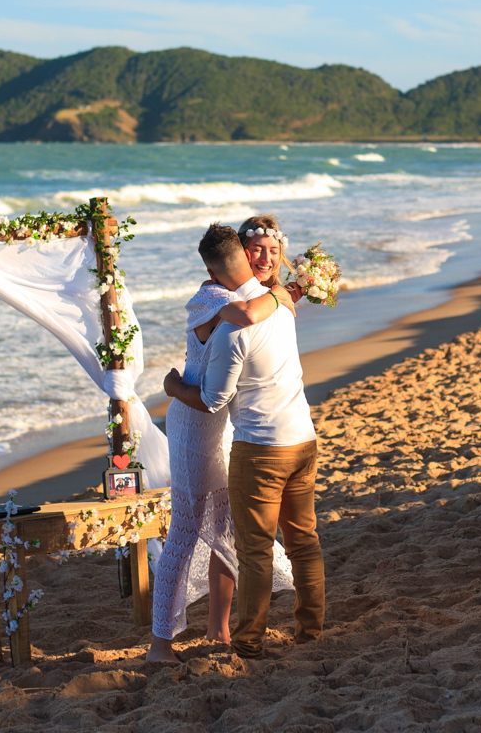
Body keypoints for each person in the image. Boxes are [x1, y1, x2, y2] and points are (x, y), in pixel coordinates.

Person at [163, 223, 324, 660]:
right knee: (303, 539)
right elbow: (264, 308)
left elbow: (215, 400)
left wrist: (174, 388)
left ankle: (249, 639)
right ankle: (311, 629)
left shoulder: (233, 327)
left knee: (252, 550)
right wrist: (286, 291)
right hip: (304, 438)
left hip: (260, 446)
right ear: (245, 257)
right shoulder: (285, 307)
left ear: (214, 275)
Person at [145, 251, 296, 664]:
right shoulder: (209, 296)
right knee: (185, 531)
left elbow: (260, 312)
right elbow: (248, 314)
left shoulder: (243, 294)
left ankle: (219, 627)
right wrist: (288, 291)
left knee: (226, 528)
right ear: (217, 270)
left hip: (223, 423)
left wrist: (286, 287)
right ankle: (159, 645)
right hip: (194, 422)